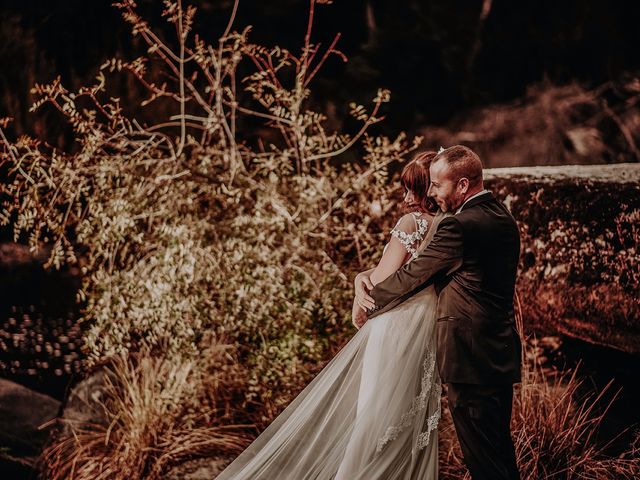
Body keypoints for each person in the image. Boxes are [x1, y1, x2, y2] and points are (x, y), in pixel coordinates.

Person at [215, 151, 444, 480]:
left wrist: (358, 283)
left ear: (428, 191)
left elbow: (380, 282)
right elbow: (406, 273)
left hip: (398, 324)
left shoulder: (412, 223)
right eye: (405, 189)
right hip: (425, 324)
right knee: (413, 413)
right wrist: (363, 275)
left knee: (375, 413)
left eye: (414, 190)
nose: (407, 198)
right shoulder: (446, 226)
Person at [356, 145, 522, 480]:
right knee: (499, 453)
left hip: (470, 359)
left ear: (462, 185)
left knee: (484, 462)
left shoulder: (460, 226)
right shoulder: (503, 218)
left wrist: (368, 299)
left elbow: (412, 275)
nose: (431, 192)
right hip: (498, 355)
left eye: (438, 185)